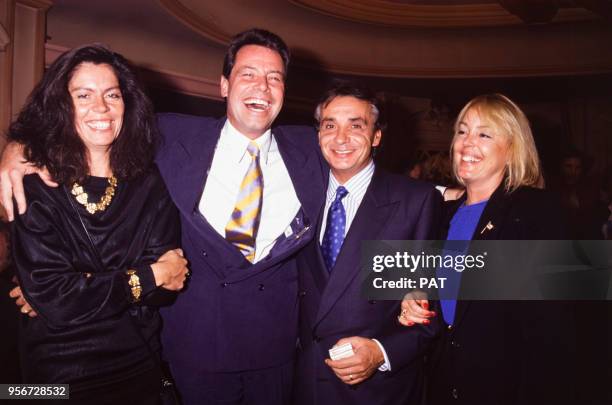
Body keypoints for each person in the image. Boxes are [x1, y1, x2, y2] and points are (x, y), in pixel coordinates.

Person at [1, 29, 324, 405]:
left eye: (274, 78)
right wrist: (16, 147)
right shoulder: (168, 135)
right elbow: (87, 126)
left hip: (271, 350)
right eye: (248, 74)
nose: (262, 87)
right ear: (223, 84)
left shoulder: (316, 148)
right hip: (185, 349)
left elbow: (378, 209)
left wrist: (403, 294)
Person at [7, 44, 188, 404]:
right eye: (83, 95)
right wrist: (148, 274)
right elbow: (58, 300)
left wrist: (83, 285)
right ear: (61, 104)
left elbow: (169, 290)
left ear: (127, 104)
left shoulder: (148, 182)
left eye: (112, 94)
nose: (101, 108)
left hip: (138, 360)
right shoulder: (34, 185)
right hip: (56, 375)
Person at [398, 94, 577, 405]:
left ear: (512, 148)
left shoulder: (537, 211)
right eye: (462, 131)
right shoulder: (443, 215)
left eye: (484, 134)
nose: (467, 143)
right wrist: (414, 295)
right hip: (442, 387)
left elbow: (554, 329)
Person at [294, 83, 441, 405]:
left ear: (377, 137)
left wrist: (381, 352)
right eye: (330, 125)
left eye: (356, 126)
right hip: (303, 384)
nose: (341, 138)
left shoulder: (414, 202)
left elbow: (431, 308)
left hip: (375, 390)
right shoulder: (298, 196)